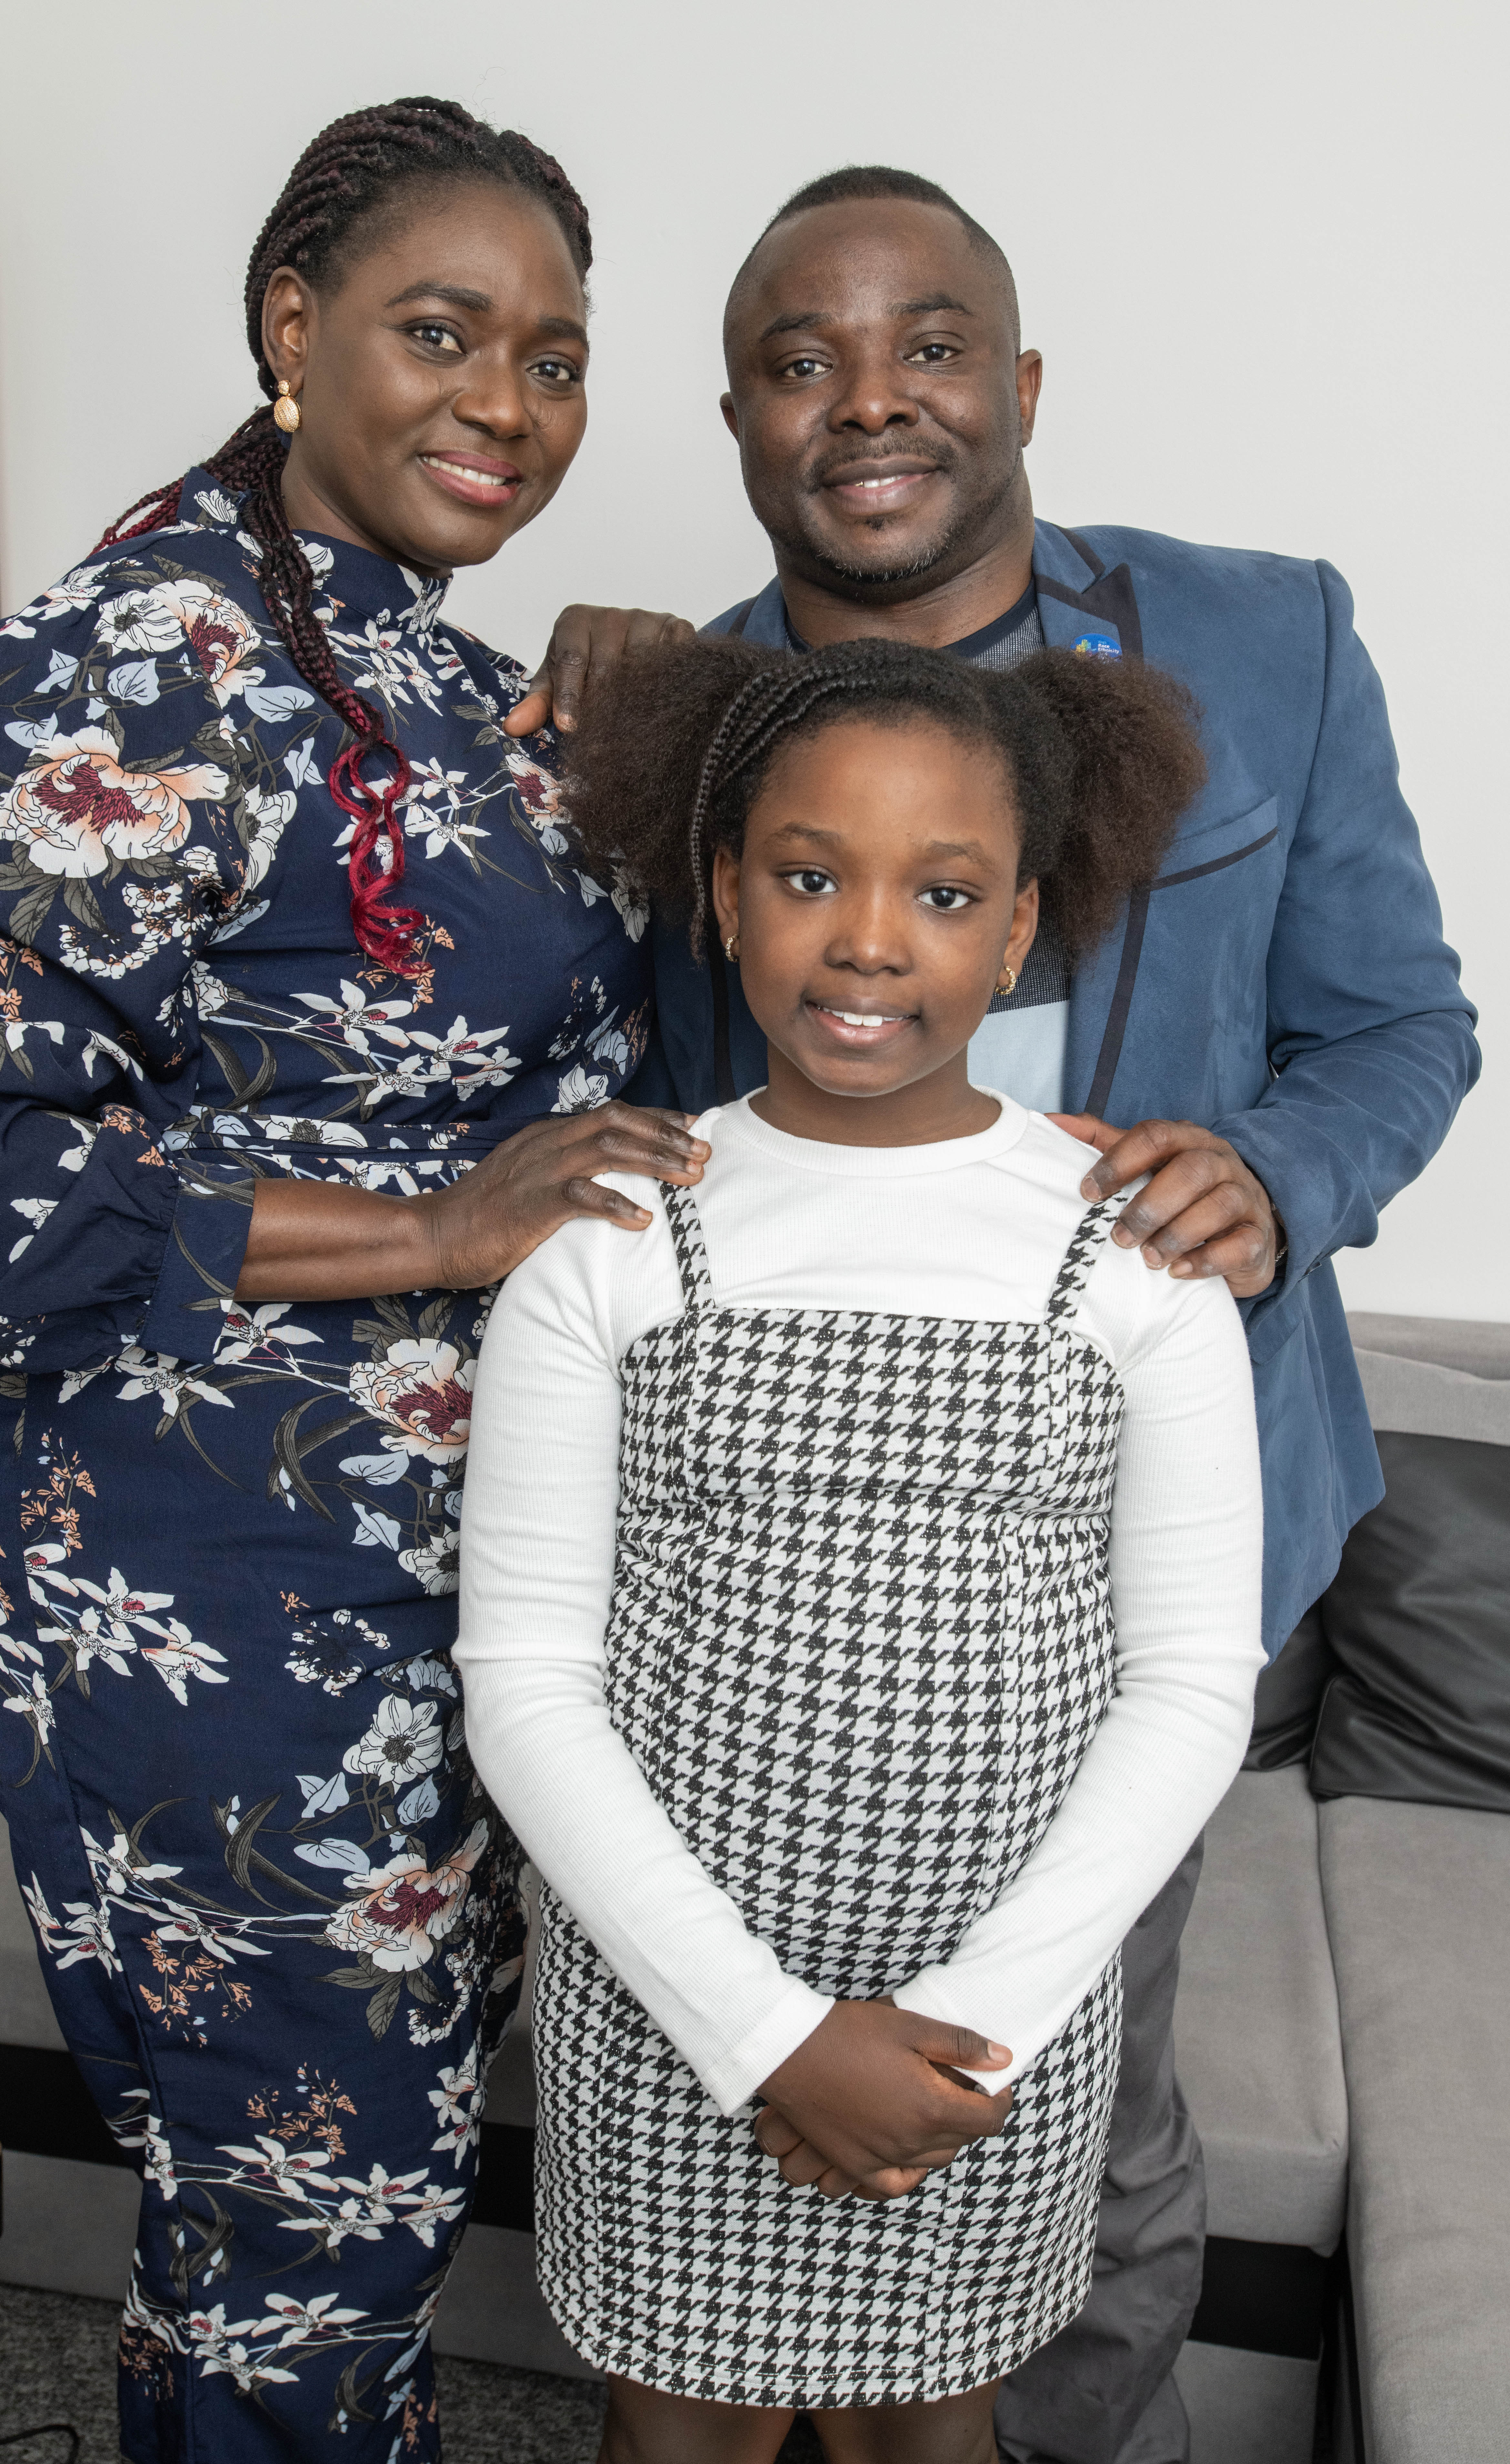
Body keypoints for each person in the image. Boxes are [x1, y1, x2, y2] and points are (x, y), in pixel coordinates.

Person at [509, 166, 1479, 2464]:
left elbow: (1403, 1030)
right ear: (737, 421)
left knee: (1082, 2117)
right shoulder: (677, 718)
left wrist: (1271, 1174)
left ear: (1018, 382)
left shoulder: (1269, 640)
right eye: (797, 360)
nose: (871, 402)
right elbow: (620, 1110)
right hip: (745, 1586)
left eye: (928, 345)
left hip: (1141, 1525)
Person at [0, 97, 709, 2464]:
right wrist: (434, 1230)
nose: (507, 400)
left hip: (440, 1595)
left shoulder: (431, 663)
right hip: (232, 1612)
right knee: (303, 2230)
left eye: (556, 354)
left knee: (337, 2230)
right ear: (290, 330)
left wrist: (662, 730)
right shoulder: (146, 652)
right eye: (442, 330)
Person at [456, 630, 1265, 2464]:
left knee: (929, 2431)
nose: (871, 937)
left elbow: (1193, 1680)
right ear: (725, 891)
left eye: (943, 889)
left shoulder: (1126, 1247)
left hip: (997, 2017)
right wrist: (753, 2030)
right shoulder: (613, 1236)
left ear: (1019, 922)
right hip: (672, 2000)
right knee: (683, 2436)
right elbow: (522, 1681)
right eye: (810, 873)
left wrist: (978, 2022)